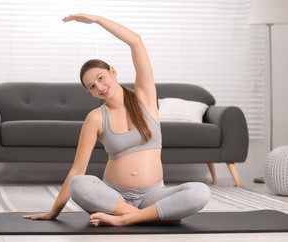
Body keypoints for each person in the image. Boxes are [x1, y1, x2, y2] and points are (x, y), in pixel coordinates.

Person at [23, 13, 210, 227]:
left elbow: (135, 41)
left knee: (199, 192)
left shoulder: (144, 98)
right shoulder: (95, 118)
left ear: (112, 71)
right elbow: (77, 169)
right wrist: (53, 212)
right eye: (91, 87)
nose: (99, 87)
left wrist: (96, 20)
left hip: (153, 195)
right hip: (114, 197)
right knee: (79, 184)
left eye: (100, 78)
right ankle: (146, 216)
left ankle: (126, 219)